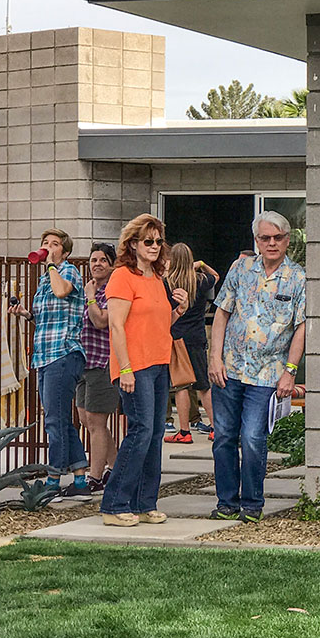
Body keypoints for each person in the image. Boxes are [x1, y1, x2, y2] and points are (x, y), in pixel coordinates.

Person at [208, 211, 306, 522]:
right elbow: (222, 313)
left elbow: (302, 327)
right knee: (223, 436)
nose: (272, 243)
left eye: (278, 238)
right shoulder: (241, 268)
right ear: (257, 241)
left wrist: (290, 372)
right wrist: (214, 358)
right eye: (266, 238)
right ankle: (226, 502)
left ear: (288, 240)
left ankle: (251, 504)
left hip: (267, 374)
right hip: (229, 369)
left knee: (252, 438)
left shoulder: (298, 278)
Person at [101, 214, 189, 527]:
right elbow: (116, 325)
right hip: (134, 366)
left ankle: (144, 503)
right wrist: (125, 369)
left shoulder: (156, 277)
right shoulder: (122, 276)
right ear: (133, 244)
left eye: (158, 241)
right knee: (140, 432)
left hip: (158, 363)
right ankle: (114, 504)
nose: (154, 246)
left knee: (153, 436)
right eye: (147, 241)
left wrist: (179, 310)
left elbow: (158, 325)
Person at [7, 228, 90, 496]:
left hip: (64, 354)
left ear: (64, 252)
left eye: (55, 244)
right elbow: (48, 318)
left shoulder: (67, 272)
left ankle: (53, 478)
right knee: (59, 418)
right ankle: (79, 478)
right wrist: (26, 314)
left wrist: (53, 266)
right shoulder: (46, 279)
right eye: (45, 243)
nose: (49, 247)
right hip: (45, 355)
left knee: (54, 420)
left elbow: (63, 292)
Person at [164, 243, 219, 444]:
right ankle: (215, 427)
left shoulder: (167, 282)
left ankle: (184, 431)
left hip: (177, 336)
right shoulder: (201, 279)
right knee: (204, 385)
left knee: (181, 385)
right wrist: (202, 264)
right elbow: (217, 277)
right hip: (197, 336)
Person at [76, 241, 119, 492]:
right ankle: (115, 467)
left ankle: (95, 477)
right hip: (85, 361)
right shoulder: (88, 288)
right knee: (87, 420)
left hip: (104, 362)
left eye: (103, 260)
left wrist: (91, 297)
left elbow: (101, 321)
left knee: (96, 422)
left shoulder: (111, 290)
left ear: (112, 265)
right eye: (94, 260)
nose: (97, 264)